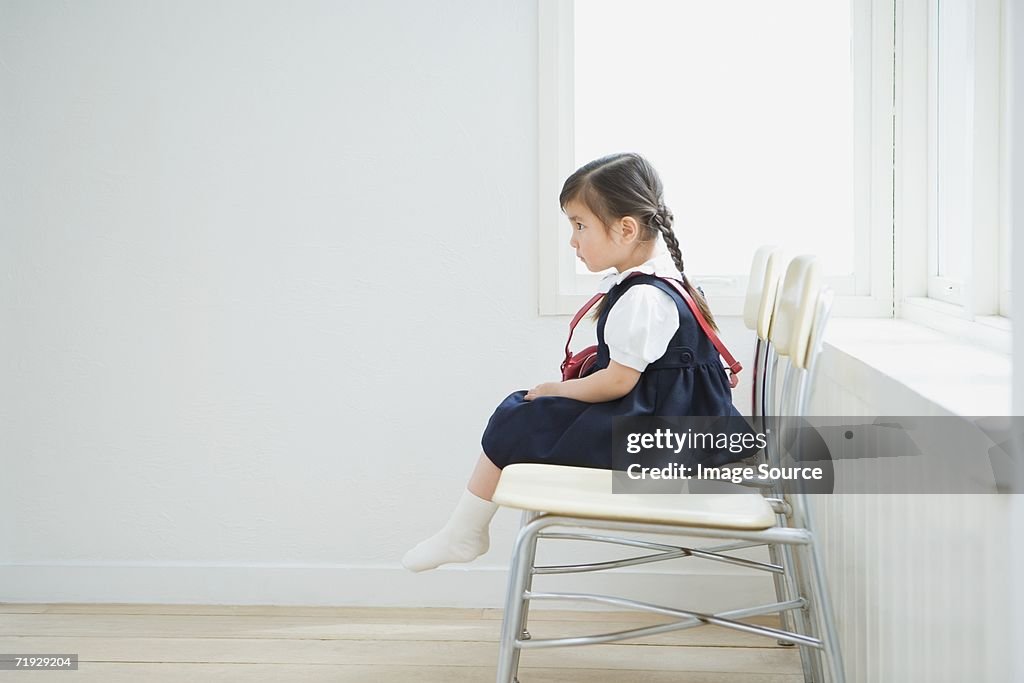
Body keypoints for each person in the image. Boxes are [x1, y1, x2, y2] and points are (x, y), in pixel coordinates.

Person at [401, 152, 751, 573]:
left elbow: (617, 384)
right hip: (668, 421)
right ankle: (464, 531)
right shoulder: (660, 283)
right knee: (526, 412)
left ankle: (464, 532)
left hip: (660, 439)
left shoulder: (643, 296)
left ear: (625, 229)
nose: (573, 240)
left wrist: (558, 389)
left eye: (580, 226)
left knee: (519, 415)